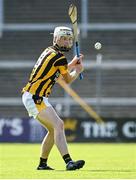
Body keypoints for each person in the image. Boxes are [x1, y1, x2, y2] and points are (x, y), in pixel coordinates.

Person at [22, 26, 85, 170]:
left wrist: (71, 65)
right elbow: (67, 79)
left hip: (36, 97)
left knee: (53, 129)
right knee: (59, 125)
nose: (67, 42)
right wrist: (77, 70)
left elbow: (53, 73)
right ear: (55, 38)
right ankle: (68, 162)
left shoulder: (49, 51)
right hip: (35, 97)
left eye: (69, 39)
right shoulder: (59, 58)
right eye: (64, 38)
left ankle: (42, 164)